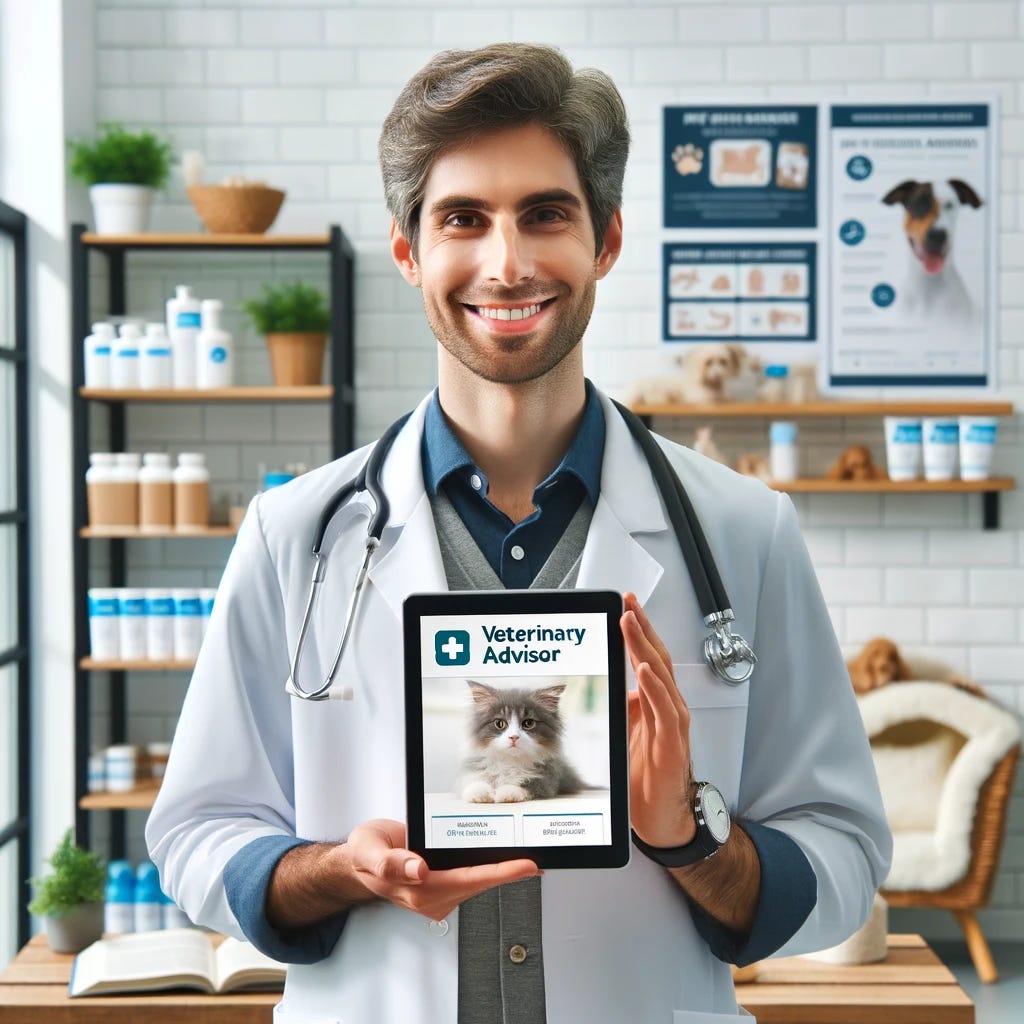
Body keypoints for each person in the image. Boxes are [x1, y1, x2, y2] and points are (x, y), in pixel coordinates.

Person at [147, 43, 891, 1024]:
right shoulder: (296, 534)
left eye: (545, 213)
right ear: (409, 249)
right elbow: (199, 830)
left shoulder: (742, 532)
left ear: (607, 239)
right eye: (464, 218)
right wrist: (340, 869)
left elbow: (840, 845)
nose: (507, 262)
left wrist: (689, 835)